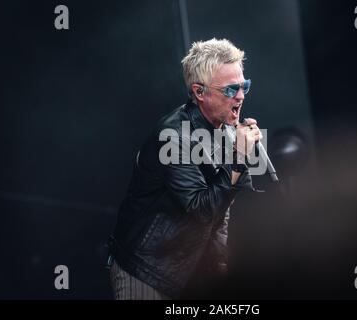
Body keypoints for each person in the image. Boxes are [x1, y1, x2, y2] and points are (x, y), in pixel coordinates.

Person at [107, 38, 263, 300]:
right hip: (148, 271)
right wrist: (238, 158)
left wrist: (221, 261)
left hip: (193, 273)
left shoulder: (225, 130)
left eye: (244, 85)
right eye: (230, 90)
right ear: (199, 92)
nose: (241, 95)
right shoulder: (174, 137)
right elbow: (201, 211)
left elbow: (228, 205)